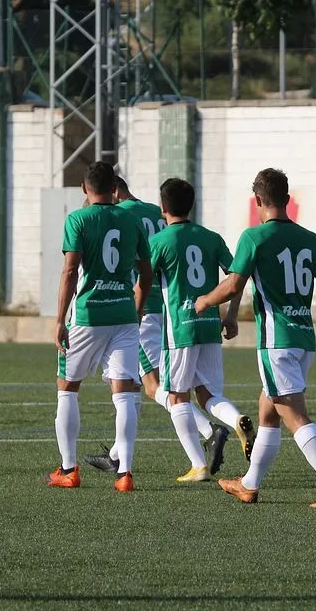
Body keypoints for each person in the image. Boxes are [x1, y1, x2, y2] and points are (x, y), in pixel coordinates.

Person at [196, 168, 316, 508]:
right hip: (304, 339)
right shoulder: (313, 240)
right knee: (268, 410)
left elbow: (233, 284)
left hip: (276, 341)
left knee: (293, 415)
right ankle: (249, 484)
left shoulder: (254, 238)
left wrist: (205, 301)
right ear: (287, 198)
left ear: (258, 200)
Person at [83, 177, 230, 477]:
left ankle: (209, 431)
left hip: (139, 308)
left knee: (153, 386)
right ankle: (117, 454)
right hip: (167, 306)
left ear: (114, 191)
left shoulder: (117, 216)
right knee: (134, 384)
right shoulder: (154, 211)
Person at [140, 177, 257, 482]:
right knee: (207, 394)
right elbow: (237, 277)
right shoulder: (211, 238)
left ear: (162, 207)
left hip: (180, 330)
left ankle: (198, 465)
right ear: (191, 205)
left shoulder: (158, 242)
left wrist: (134, 313)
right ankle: (236, 418)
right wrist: (231, 316)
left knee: (176, 397)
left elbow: (143, 283)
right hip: (209, 327)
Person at [45, 161, 152, 492]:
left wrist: (59, 319)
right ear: (115, 189)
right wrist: (136, 309)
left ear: (84, 188)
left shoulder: (78, 219)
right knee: (124, 393)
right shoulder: (131, 220)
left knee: (68, 386)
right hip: (123, 315)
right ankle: (125, 473)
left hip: (88, 315)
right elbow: (147, 272)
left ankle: (68, 469)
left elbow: (69, 271)